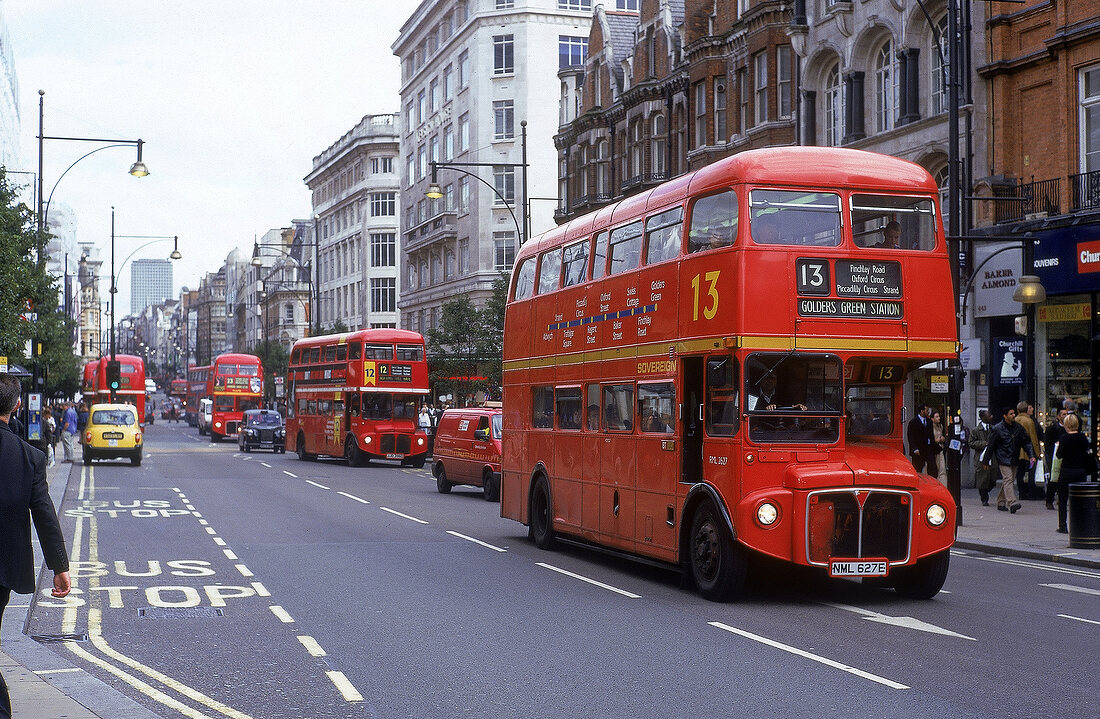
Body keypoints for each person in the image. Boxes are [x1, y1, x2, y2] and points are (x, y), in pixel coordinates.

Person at [0, 374, 72, 717]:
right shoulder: (29, 457)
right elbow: (44, 514)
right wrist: (59, 568)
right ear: (17, 405)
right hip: (3, 568)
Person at [986, 405, 1036, 514]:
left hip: (1014, 457)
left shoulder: (1018, 428)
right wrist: (986, 461)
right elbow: (991, 446)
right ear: (1005, 416)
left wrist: (1031, 455)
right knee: (1008, 479)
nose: (1013, 415)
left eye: (1014, 413)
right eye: (1011, 414)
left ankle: (1000, 501)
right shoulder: (997, 429)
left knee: (1009, 480)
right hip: (1003, 458)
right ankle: (1012, 502)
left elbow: (1026, 442)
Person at [1053, 413, 1094, 534]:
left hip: (1067, 470)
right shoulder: (1083, 437)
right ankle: (1080, 524)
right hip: (1080, 471)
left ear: (1066, 425)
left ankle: (1063, 525)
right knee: (1079, 500)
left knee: (1063, 499)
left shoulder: (1064, 438)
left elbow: (1059, 455)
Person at [1043, 407, 1069, 510]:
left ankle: (1061, 499)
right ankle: (1049, 500)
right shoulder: (1053, 428)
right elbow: (1047, 443)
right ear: (1058, 416)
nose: (1065, 416)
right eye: (1063, 414)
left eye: (1067, 414)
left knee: (1063, 479)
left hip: (1065, 456)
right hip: (1054, 456)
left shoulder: (1069, 428)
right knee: (1053, 479)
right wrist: (1050, 453)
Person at [1015, 401, 1041, 499]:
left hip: (1017, 450)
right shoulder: (1029, 421)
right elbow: (1033, 438)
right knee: (1031, 472)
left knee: (1019, 473)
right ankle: (1031, 493)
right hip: (1028, 451)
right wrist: (1037, 452)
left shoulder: (1015, 419)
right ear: (1027, 409)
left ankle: (1021, 493)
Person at [969, 410, 995, 506]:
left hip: (992, 457)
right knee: (982, 479)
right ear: (983, 417)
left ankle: (987, 490)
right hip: (981, 457)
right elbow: (971, 443)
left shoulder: (993, 428)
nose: (991, 417)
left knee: (993, 477)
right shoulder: (976, 430)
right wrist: (984, 444)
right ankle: (984, 498)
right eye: (989, 415)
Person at [906, 404, 936, 474]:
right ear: (921, 411)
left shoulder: (929, 422)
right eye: (926, 410)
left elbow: (931, 435)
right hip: (918, 449)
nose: (928, 412)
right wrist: (915, 449)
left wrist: (933, 447)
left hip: (928, 448)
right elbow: (911, 437)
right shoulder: (913, 422)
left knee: (932, 468)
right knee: (918, 469)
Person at [930, 410, 949, 486]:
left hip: (940, 448)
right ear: (932, 418)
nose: (938, 418)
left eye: (939, 416)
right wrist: (936, 440)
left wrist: (943, 439)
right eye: (936, 417)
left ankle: (942, 485)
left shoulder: (940, 426)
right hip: (932, 449)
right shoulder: (930, 427)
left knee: (942, 468)